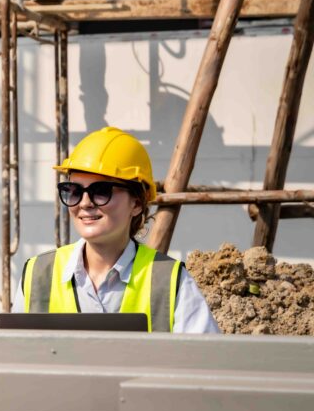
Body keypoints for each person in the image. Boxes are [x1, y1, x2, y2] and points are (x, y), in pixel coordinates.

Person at [20, 127, 219, 333]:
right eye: (74, 191)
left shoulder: (171, 281)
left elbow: (205, 361)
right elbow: (13, 357)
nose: (85, 203)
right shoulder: (37, 275)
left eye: (101, 191)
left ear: (137, 203)